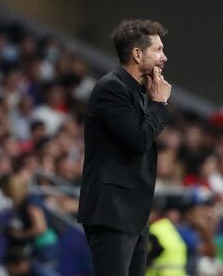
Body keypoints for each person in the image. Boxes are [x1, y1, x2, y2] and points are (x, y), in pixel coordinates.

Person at [77, 19, 171, 276]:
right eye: (158, 50)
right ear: (137, 53)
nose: (164, 58)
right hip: (112, 212)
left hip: (133, 216)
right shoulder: (112, 88)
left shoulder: (139, 92)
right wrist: (159, 105)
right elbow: (138, 140)